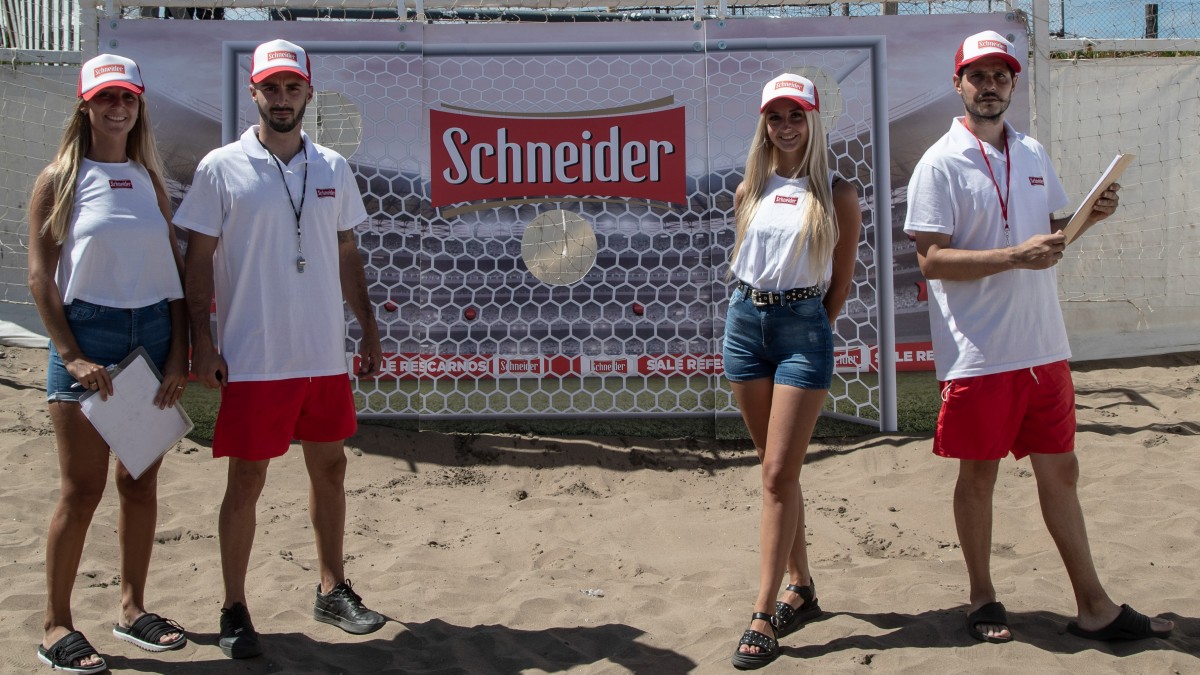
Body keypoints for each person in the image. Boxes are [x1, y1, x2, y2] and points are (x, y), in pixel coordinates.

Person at [904, 30, 1174, 644]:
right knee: (980, 477)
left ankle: (1094, 606)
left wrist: (1087, 219)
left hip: (1044, 347)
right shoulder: (939, 162)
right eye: (978, 75)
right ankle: (982, 597)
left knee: (1063, 472)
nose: (989, 85)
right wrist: (1013, 256)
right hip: (979, 353)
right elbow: (931, 261)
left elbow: (1048, 241)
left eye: (1000, 75)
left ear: (1013, 84)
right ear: (958, 83)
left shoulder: (1031, 151)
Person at [176, 38, 384, 659]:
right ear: (254, 92)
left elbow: (346, 251)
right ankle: (234, 607)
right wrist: (203, 341)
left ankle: (332, 588)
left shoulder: (333, 167)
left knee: (332, 469)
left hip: (322, 354)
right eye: (271, 87)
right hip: (254, 356)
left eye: (293, 87)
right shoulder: (220, 167)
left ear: (309, 93)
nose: (282, 98)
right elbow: (198, 260)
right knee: (248, 478)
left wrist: (368, 327)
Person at [27, 54, 189, 673]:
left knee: (139, 481)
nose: (117, 108)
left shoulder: (149, 178)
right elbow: (41, 277)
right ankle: (55, 626)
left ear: (139, 105)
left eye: (126, 97)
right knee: (81, 489)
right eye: (105, 98)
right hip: (87, 335)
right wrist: (70, 354)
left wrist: (178, 353)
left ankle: (132, 609)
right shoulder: (59, 178)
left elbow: (174, 274)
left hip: (151, 335)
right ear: (85, 105)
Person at [724, 73, 862, 669]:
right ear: (764, 124)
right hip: (744, 324)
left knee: (780, 473)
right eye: (776, 116)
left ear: (814, 121)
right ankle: (800, 584)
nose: (785, 126)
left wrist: (809, 329)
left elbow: (841, 281)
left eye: (796, 115)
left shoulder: (837, 193)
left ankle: (762, 613)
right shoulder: (748, 189)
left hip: (803, 329)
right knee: (774, 473)